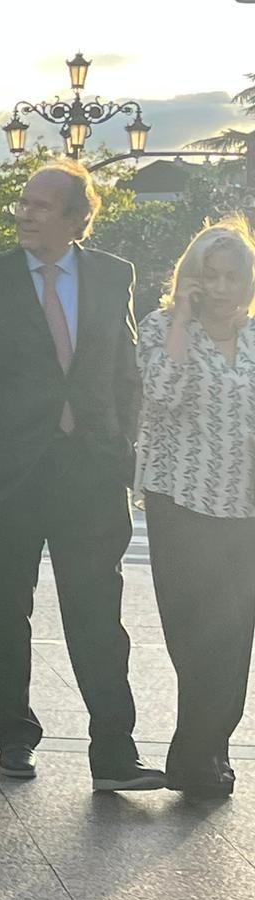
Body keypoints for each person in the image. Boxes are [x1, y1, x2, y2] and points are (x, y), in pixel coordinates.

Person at [0, 159, 162, 792]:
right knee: (5, 612)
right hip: (4, 477)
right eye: (23, 203)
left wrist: (119, 443)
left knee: (97, 612)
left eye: (39, 206)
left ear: (75, 218)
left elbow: (124, 367)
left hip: (88, 472)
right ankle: (14, 737)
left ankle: (114, 752)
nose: (23, 213)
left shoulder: (113, 276)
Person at [136, 221, 255, 798]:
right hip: (181, 502)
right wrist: (183, 318)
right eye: (212, 275)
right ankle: (200, 753)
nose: (225, 287)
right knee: (199, 635)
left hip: (246, 509)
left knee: (237, 635)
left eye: (235, 276)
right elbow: (162, 394)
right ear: (193, 279)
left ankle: (203, 750)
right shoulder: (161, 328)